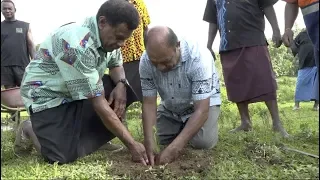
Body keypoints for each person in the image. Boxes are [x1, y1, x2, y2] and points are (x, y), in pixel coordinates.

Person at [15, 0, 149, 165]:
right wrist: (132, 144)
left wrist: (121, 83)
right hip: (47, 99)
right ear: (102, 22)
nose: (121, 44)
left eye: (125, 40)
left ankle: (95, 140)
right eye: (119, 38)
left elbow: (116, 64)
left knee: (121, 88)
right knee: (60, 157)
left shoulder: (108, 37)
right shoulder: (76, 44)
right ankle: (29, 128)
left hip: (75, 93)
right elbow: (98, 102)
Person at [203, 0, 289, 137]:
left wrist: (276, 30)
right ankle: (245, 122)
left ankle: (277, 123)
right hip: (228, 43)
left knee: (264, 79)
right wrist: (208, 45)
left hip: (254, 39)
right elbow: (213, 20)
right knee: (236, 83)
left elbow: (267, 5)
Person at [140, 26, 221, 165]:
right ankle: (183, 126)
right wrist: (149, 140)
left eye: (165, 61)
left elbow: (202, 110)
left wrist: (175, 148)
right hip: (171, 105)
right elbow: (148, 102)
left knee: (203, 142)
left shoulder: (198, 57)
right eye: (155, 63)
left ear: (177, 45)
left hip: (201, 104)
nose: (160, 67)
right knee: (163, 139)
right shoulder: (146, 61)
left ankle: (187, 127)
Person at [282, 0, 319, 104]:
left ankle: (316, 104)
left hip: (313, 64)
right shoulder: (302, 35)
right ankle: (297, 104)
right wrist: (287, 29)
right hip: (308, 58)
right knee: (302, 84)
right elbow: (291, 2)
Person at [1, 0, 36, 89]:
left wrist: (35, 62)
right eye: (4, 9)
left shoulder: (25, 26)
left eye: (10, 8)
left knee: (27, 91)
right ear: (1, 10)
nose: (7, 11)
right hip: (5, 67)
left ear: (15, 10)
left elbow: (31, 45)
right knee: (10, 92)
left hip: (23, 65)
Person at [121, 0, 150, 103]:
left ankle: (150, 118)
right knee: (122, 96)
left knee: (146, 96)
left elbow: (146, 29)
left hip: (140, 57)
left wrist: (149, 53)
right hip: (121, 60)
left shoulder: (139, 3)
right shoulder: (115, 5)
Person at [290, 30, 318, 111]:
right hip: (304, 63)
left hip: (316, 62)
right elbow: (294, 45)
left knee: (317, 84)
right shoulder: (302, 34)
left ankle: (316, 106)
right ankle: (296, 105)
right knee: (300, 83)